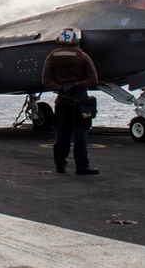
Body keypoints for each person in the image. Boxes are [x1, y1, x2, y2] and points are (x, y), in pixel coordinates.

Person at [41, 27, 100, 175]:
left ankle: (60, 165)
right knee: (80, 132)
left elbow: (46, 81)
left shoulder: (51, 57)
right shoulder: (83, 56)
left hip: (62, 99)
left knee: (61, 132)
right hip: (79, 99)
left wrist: (60, 88)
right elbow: (93, 79)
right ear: (74, 40)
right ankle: (82, 166)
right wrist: (77, 85)